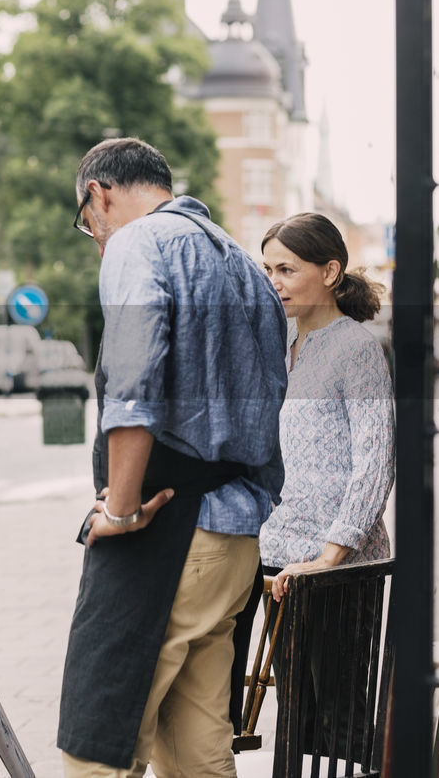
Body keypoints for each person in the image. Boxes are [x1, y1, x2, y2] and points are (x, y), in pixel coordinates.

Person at [58, 137, 288, 777]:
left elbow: (133, 388)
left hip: (164, 535)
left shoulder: (140, 243)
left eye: (88, 224)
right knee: (199, 754)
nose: (96, 238)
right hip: (234, 538)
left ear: (98, 194)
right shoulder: (243, 262)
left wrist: (122, 510)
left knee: (101, 751)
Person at [254, 211, 395, 759]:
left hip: (340, 568)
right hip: (284, 562)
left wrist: (332, 554)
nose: (275, 283)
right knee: (295, 718)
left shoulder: (355, 348)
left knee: (342, 720)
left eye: (286, 269)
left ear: (330, 271)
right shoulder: (280, 345)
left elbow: (376, 458)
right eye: (268, 271)